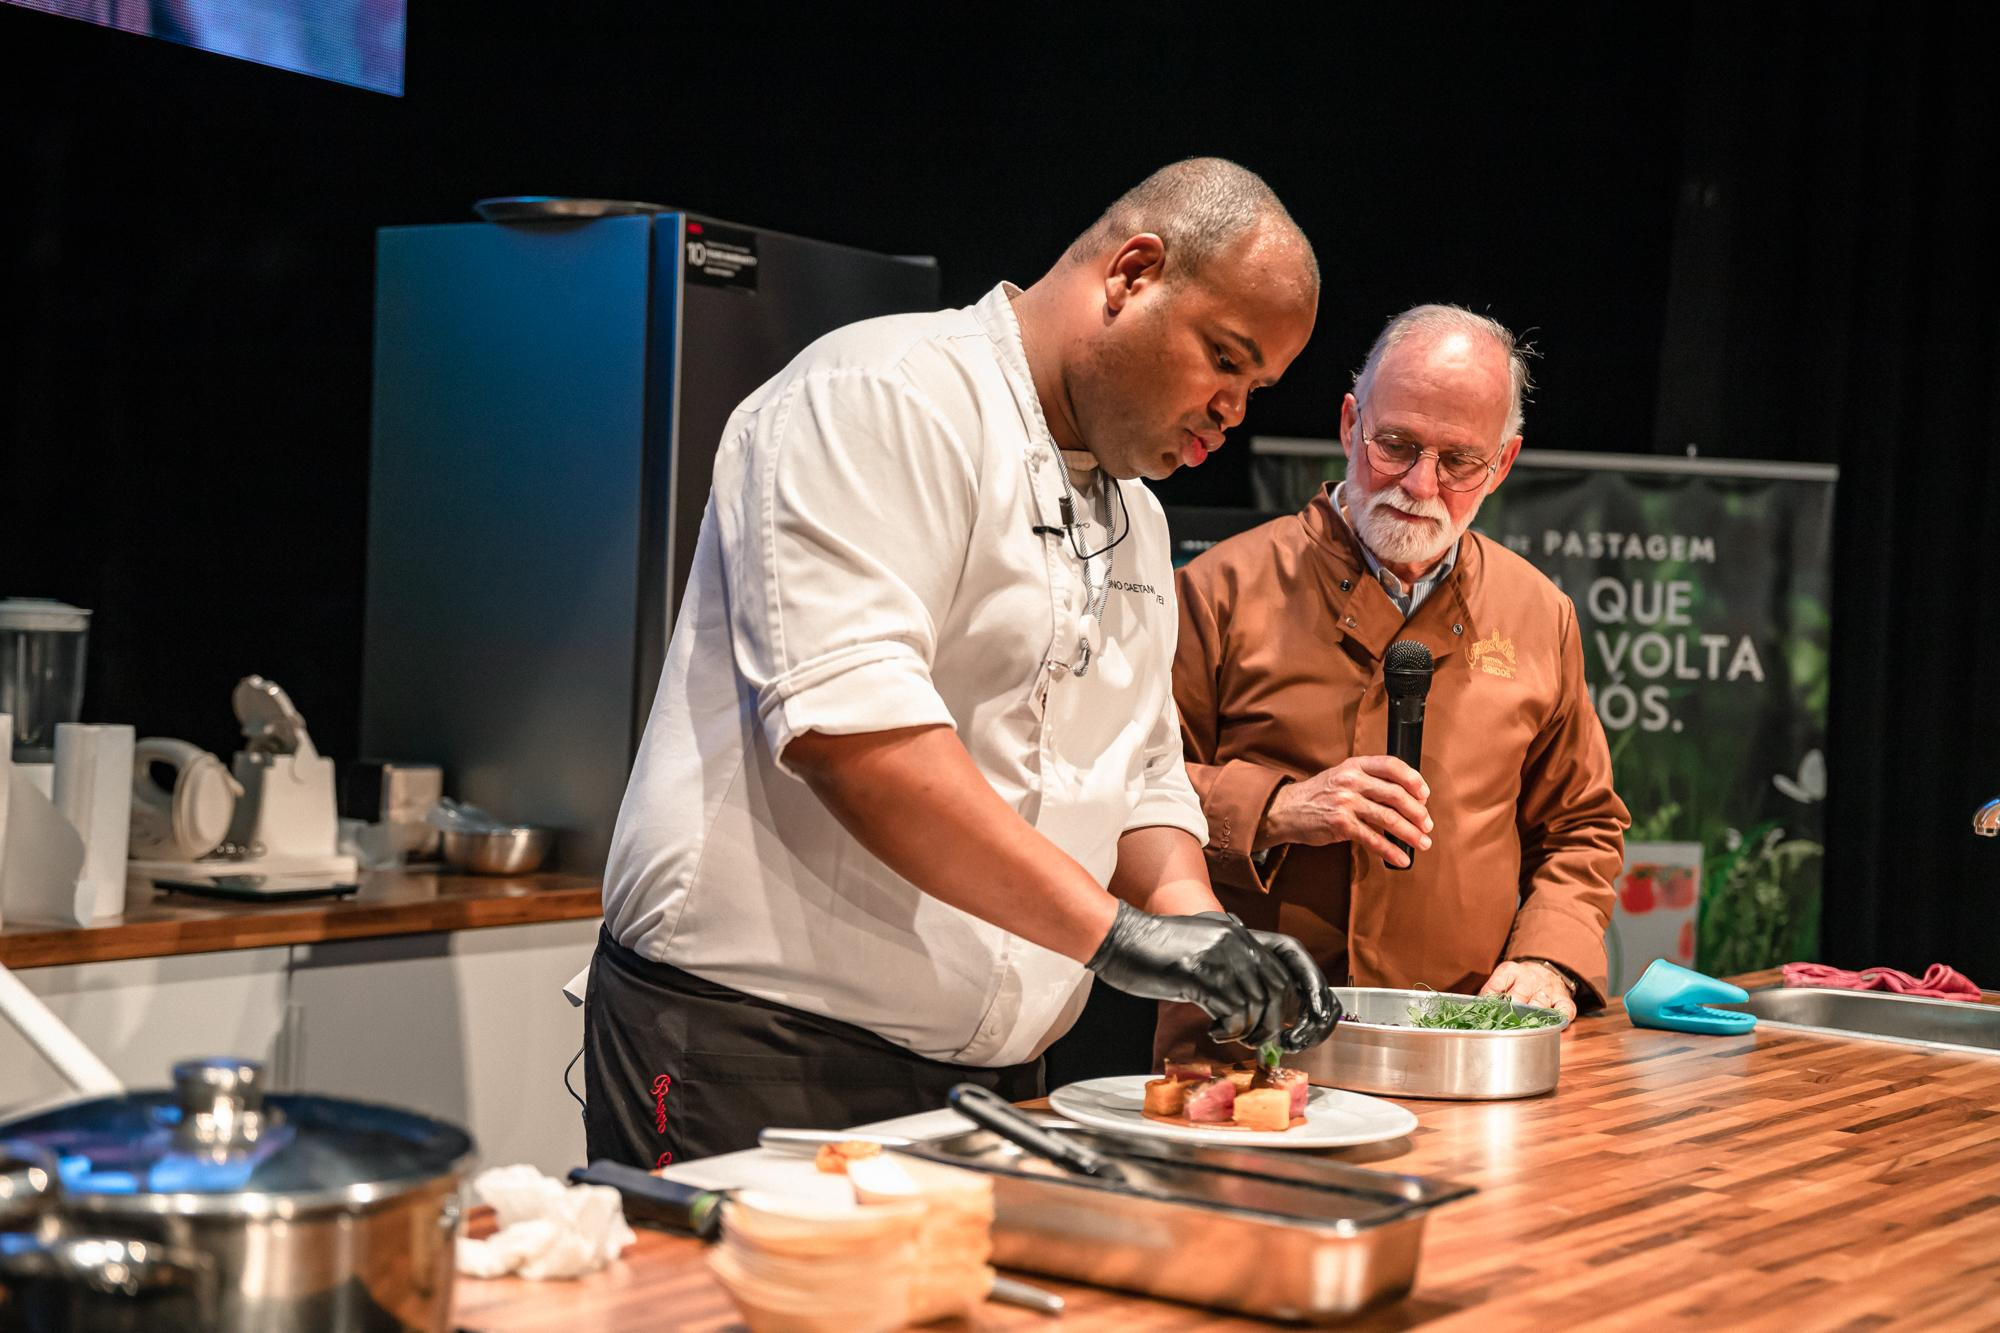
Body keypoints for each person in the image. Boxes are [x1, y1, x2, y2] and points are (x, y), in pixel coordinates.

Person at [584, 158, 1337, 1166]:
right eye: (1223, 358)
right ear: (1131, 274)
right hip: (756, 1049)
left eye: (1254, 387)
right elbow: (858, 744)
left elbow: (1143, 776)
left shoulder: (1139, 521)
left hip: (991, 1086)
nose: (1229, 410)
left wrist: (1204, 939)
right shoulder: (881, 396)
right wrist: (1117, 937)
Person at [1157, 304, 1629, 1067]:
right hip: (1246, 1045)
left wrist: (1550, 956)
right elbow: (1123, 793)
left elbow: (1581, 824)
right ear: (1350, 425)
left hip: (1458, 1045)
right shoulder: (1219, 591)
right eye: (1397, 444)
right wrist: (1276, 808)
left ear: (1503, 464)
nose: (1419, 483)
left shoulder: (1540, 613)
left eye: (1458, 461)